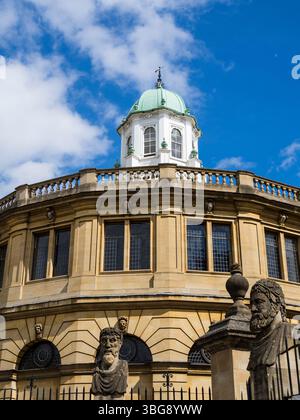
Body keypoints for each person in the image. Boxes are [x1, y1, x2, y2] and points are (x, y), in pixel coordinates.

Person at [92, 327, 128, 400]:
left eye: (112, 340)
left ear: (120, 344)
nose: (108, 345)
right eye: (104, 341)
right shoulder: (96, 369)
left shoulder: (123, 366)